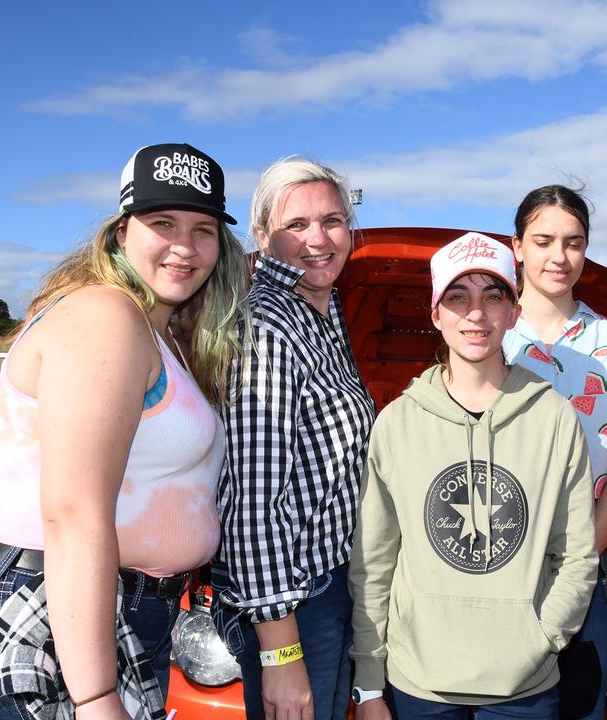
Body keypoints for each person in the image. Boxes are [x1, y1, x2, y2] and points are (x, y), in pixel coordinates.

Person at [0, 142, 249, 719]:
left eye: (204, 230)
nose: (185, 246)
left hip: (118, 608)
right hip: (49, 607)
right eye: (163, 223)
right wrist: (96, 696)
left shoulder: (162, 331)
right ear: (121, 232)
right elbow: (74, 513)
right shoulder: (105, 316)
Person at [349, 232, 598, 720]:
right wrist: (368, 683)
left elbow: (576, 555)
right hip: (417, 682)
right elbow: (373, 563)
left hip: (525, 684)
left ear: (514, 312)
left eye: (493, 296)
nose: (476, 314)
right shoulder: (397, 423)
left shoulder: (554, 419)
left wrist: (544, 637)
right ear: (436, 314)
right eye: (458, 297)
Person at [213, 157, 377, 720]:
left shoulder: (321, 313)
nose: (318, 239)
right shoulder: (268, 327)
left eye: (332, 221)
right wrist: (281, 656)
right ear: (262, 236)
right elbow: (253, 508)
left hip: (333, 585)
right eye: (297, 225)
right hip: (294, 602)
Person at [501, 186, 607, 720]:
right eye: (543, 240)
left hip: (590, 557)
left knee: (580, 704)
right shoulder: (488, 335)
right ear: (517, 247)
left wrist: (577, 561)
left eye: (574, 242)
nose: (559, 257)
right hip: (498, 565)